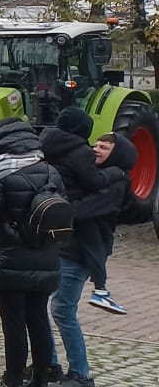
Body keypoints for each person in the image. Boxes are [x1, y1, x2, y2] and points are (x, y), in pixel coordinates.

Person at [0, 119, 63, 387]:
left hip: (9, 260)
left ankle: (12, 385)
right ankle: (40, 385)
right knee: (38, 320)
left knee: (13, 324)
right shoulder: (51, 171)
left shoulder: (1, 175)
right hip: (46, 257)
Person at [42, 108, 128, 317]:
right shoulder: (81, 152)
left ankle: (101, 288)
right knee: (62, 311)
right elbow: (94, 182)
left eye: (103, 147)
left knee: (56, 309)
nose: (95, 149)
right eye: (95, 145)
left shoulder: (46, 142)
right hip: (73, 234)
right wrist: (114, 172)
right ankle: (101, 288)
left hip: (58, 216)